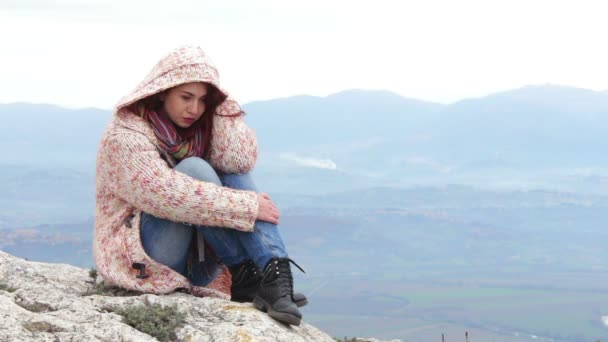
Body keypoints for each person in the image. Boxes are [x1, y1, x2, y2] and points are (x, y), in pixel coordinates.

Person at [94, 45, 306, 326]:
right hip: (145, 261)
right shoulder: (124, 136)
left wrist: (223, 105)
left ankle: (271, 275)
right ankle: (249, 274)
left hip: (198, 261)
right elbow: (165, 195)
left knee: (230, 174)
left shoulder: (197, 132)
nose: (194, 109)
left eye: (203, 100)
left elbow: (238, 162)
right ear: (162, 91)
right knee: (195, 169)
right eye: (186, 97)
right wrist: (248, 206)